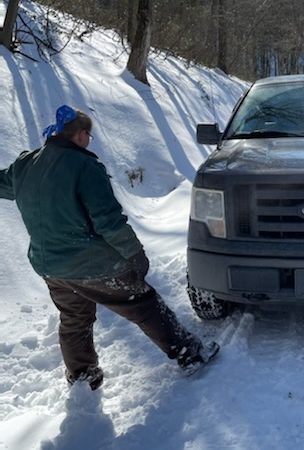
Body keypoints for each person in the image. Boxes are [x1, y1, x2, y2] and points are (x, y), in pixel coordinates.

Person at [0, 105, 219, 390]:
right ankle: (190, 354)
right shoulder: (84, 167)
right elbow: (109, 222)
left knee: (75, 318)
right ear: (80, 135)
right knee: (143, 304)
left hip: (50, 267)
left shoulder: (25, 164)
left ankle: (82, 376)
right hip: (90, 265)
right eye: (88, 135)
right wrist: (135, 255)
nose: (90, 141)